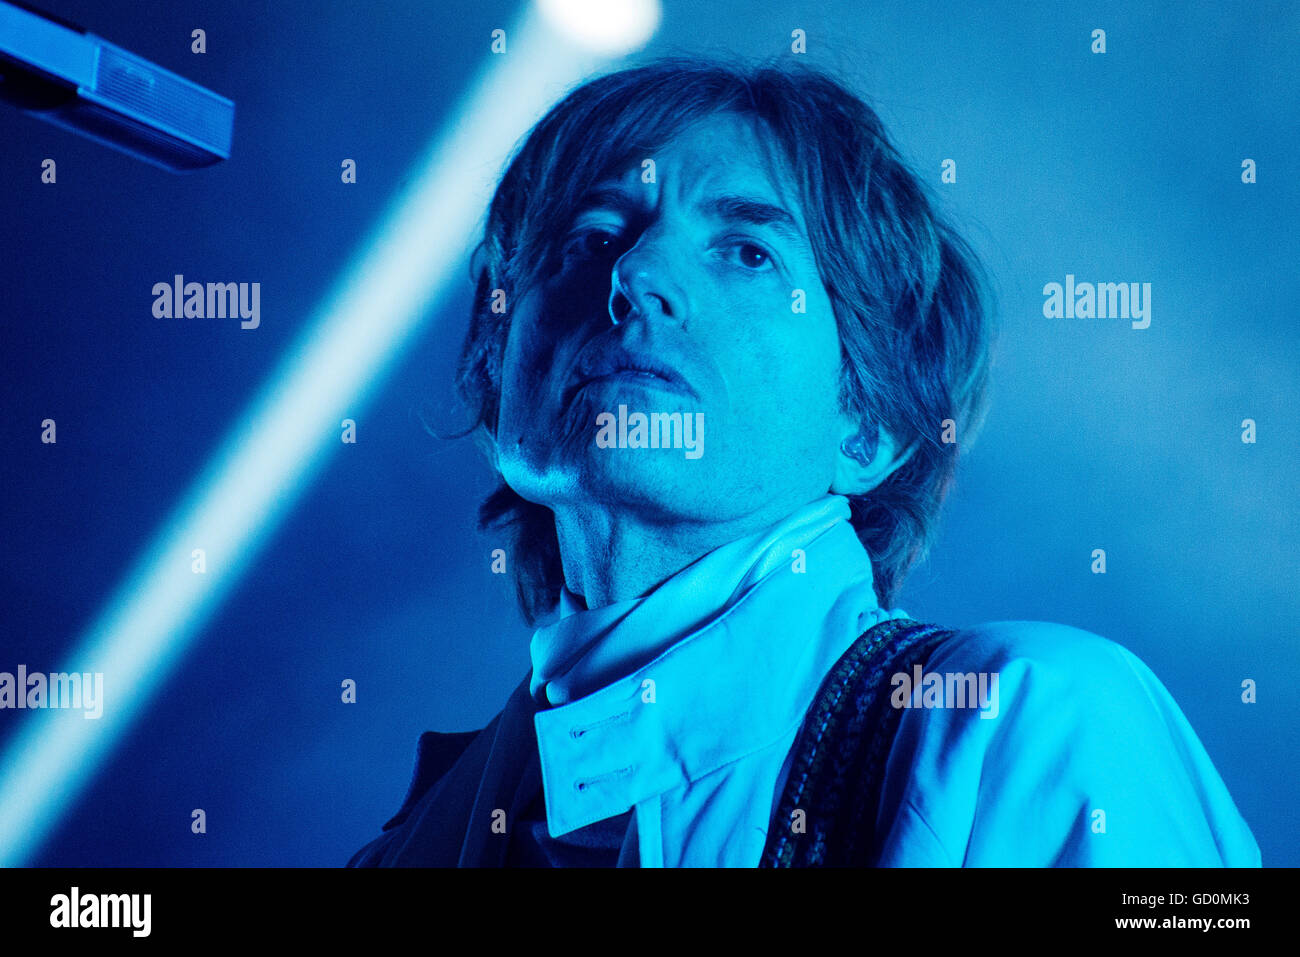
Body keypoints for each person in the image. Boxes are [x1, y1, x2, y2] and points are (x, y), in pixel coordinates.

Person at [349, 58, 1260, 867]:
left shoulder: (1030, 727)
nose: (634, 277)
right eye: (588, 237)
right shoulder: (409, 846)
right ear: (500, 371)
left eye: (749, 253)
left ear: (865, 422)